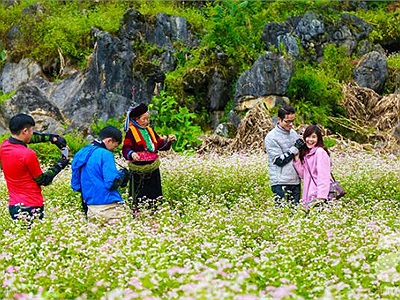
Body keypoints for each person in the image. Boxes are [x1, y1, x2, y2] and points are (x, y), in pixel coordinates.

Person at [0, 113, 69, 222]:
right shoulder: (28, 154)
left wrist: (53, 138)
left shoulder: (4, 146)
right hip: (31, 206)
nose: (32, 133)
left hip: (14, 206)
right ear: (25, 131)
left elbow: (26, 139)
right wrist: (60, 164)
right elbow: (43, 180)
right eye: (31, 130)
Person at [71, 126, 130, 224]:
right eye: (114, 146)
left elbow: (76, 185)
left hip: (90, 207)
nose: (113, 150)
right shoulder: (105, 154)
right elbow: (111, 183)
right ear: (109, 140)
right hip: (109, 206)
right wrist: (123, 175)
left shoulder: (81, 153)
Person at [122, 103, 175, 210]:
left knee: (154, 193)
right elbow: (126, 148)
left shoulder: (149, 130)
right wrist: (132, 154)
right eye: (144, 119)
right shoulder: (131, 132)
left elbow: (159, 144)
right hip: (139, 169)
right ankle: (139, 213)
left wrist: (168, 140)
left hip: (153, 168)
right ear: (136, 119)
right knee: (140, 194)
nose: (146, 121)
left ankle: (154, 211)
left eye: (147, 119)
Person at [264, 105, 305, 206]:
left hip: (295, 181)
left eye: (292, 121)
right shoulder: (271, 137)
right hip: (280, 182)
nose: (291, 124)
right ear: (279, 119)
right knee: (282, 214)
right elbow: (279, 161)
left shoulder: (293, 133)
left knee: (294, 214)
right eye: (287, 121)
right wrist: (295, 148)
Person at [293, 125, 331, 208]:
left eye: (313, 137)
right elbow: (304, 175)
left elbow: (324, 176)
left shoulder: (320, 152)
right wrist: (297, 160)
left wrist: (321, 197)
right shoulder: (307, 154)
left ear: (318, 139)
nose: (310, 140)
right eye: (308, 137)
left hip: (318, 195)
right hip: (308, 194)